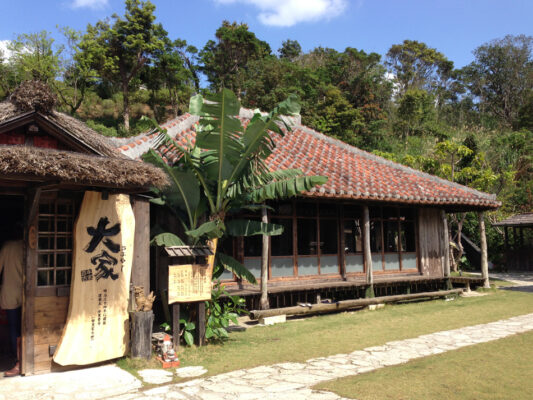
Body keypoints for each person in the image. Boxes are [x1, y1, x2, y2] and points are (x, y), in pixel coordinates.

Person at [0, 231, 23, 377]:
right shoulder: (27, 246)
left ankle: (18, 361)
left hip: (10, 293)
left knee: (14, 328)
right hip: (26, 293)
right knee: (25, 328)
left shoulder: (7, 247)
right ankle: (23, 360)